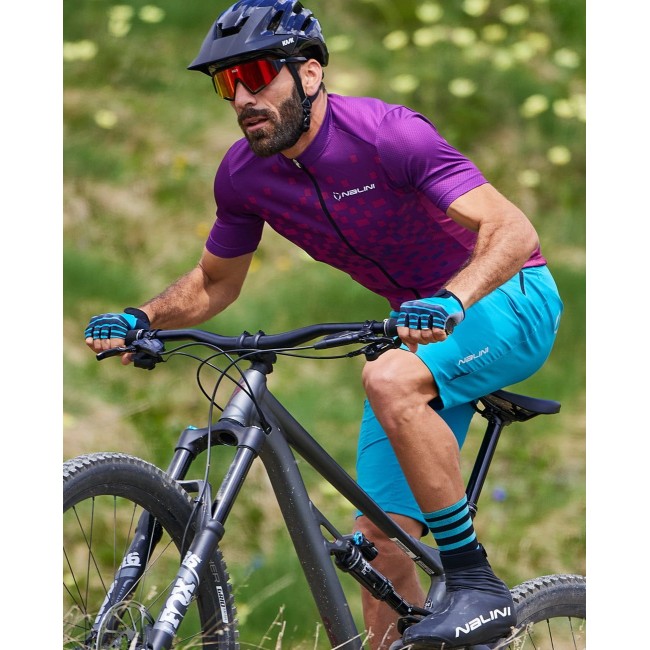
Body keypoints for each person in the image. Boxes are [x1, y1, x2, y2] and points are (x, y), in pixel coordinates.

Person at [84, 1, 564, 648]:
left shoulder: (389, 136)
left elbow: (513, 230)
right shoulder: (244, 175)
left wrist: (452, 301)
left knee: (388, 378)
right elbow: (216, 282)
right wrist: (143, 316)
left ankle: (476, 580)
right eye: (227, 83)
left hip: (507, 295)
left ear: (309, 73)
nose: (242, 98)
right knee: (378, 549)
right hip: (414, 325)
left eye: (256, 75)